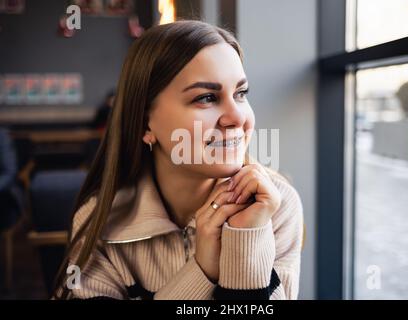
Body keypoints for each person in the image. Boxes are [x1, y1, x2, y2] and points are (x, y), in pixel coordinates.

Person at [53, 20, 303, 300]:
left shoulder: (275, 207)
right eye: (207, 97)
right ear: (145, 125)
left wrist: (246, 241)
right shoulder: (99, 219)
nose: (237, 118)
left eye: (241, 93)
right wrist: (201, 272)